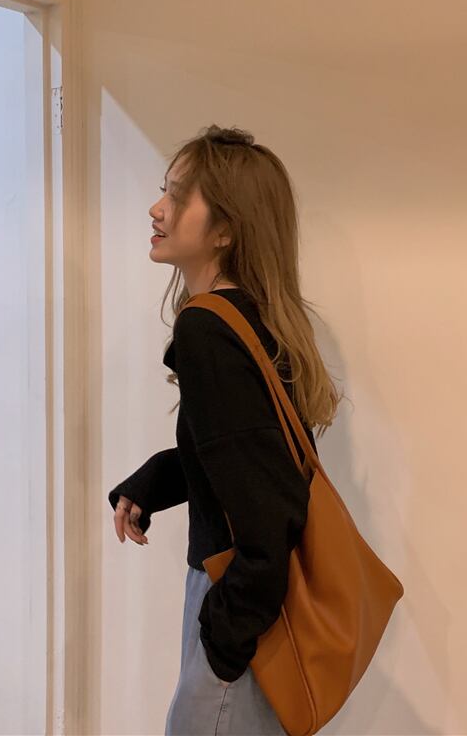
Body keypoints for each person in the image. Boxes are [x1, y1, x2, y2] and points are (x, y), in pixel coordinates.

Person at [108, 125, 343, 735]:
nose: (157, 209)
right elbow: (251, 457)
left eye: (177, 196)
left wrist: (221, 645)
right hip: (253, 615)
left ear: (225, 229)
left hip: (239, 620)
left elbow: (271, 507)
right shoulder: (254, 318)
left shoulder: (209, 328)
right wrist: (156, 479)